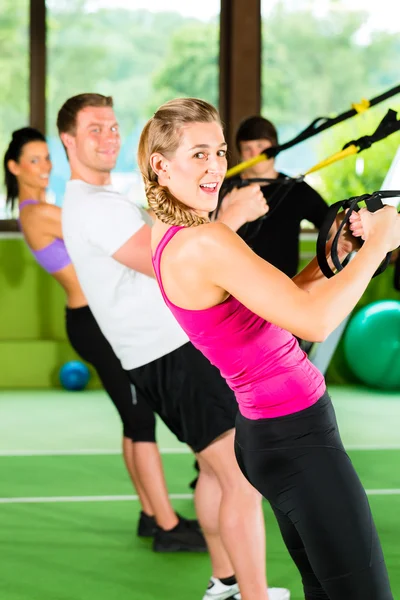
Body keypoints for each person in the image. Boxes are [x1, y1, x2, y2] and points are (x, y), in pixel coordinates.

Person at [138, 96, 398, 600]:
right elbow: (316, 321)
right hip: (297, 438)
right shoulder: (207, 240)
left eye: (218, 152)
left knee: (325, 589)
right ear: (161, 165)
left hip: (270, 435)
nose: (215, 167)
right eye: (198, 154)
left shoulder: (173, 233)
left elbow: (281, 303)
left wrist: (335, 254)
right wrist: (376, 247)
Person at [59, 93, 289, 600]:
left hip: (159, 352)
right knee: (240, 476)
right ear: (68, 141)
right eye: (95, 129)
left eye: (114, 126)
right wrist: (228, 215)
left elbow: (171, 242)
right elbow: (169, 265)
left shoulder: (104, 201)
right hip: (170, 351)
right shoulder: (94, 206)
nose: (109, 137)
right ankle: (253, 594)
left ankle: (225, 581)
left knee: (213, 468)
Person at [3, 126, 203, 552]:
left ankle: (153, 514)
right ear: (14, 167)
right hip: (94, 323)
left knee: (135, 421)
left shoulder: (52, 207)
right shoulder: (37, 213)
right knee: (139, 421)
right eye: (33, 160)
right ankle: (167, 527)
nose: (44, 167)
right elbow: (100, 228)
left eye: (46, 158)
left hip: (95, 319)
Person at [217, 115, 330, 277]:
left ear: (275, 148)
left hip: (283, 288)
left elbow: (331, 225)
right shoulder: (224, 189)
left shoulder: (296, 189)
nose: (255, 154)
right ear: (240, 153)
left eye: (261, 146)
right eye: (247, 148)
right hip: (232, 287)